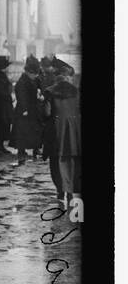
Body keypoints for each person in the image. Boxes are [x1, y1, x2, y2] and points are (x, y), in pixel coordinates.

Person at [44, 58, 81, 208]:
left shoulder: (49, 92)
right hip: (73, 131)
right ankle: (70, 192)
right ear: (68, 76)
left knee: (56, 161)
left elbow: (46, 113)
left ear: (57, 76)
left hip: (56, 131)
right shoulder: (76, 92)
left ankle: (60, 191)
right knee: (71, 160)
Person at [10, 56, 45, 167]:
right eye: (34, 74)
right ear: (28, 72)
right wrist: (24, 109)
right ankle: (21, 152)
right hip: (24, 112)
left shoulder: (32, 80)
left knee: (34, 131)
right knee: (22, 133)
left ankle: (35, 150)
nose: (35, 76)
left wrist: (39, 96)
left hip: (33, 110)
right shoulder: (22, 82)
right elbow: (22, 97)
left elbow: (37, 91)